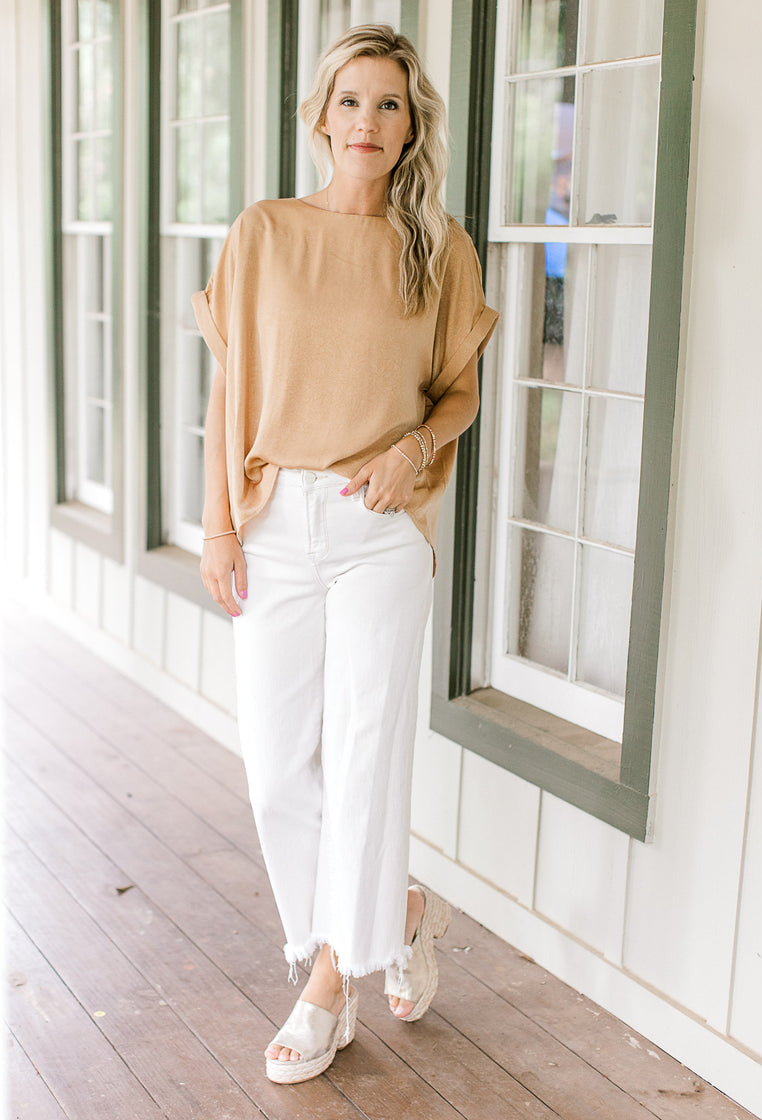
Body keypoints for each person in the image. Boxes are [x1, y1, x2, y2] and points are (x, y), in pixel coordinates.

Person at [192, 23, 497, 1085]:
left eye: (391, 105)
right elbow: (229, 386)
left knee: (367, 757)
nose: (368, 122)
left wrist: (414, 446)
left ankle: (331, 981)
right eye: (352, 101)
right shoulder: (265, 232)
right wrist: (218, 521)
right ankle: (398, 907)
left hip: (378, 532)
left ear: (412, 128)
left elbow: (459, 390)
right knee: (279, 769)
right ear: (321, 116)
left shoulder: (437, 247)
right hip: (272, 519)